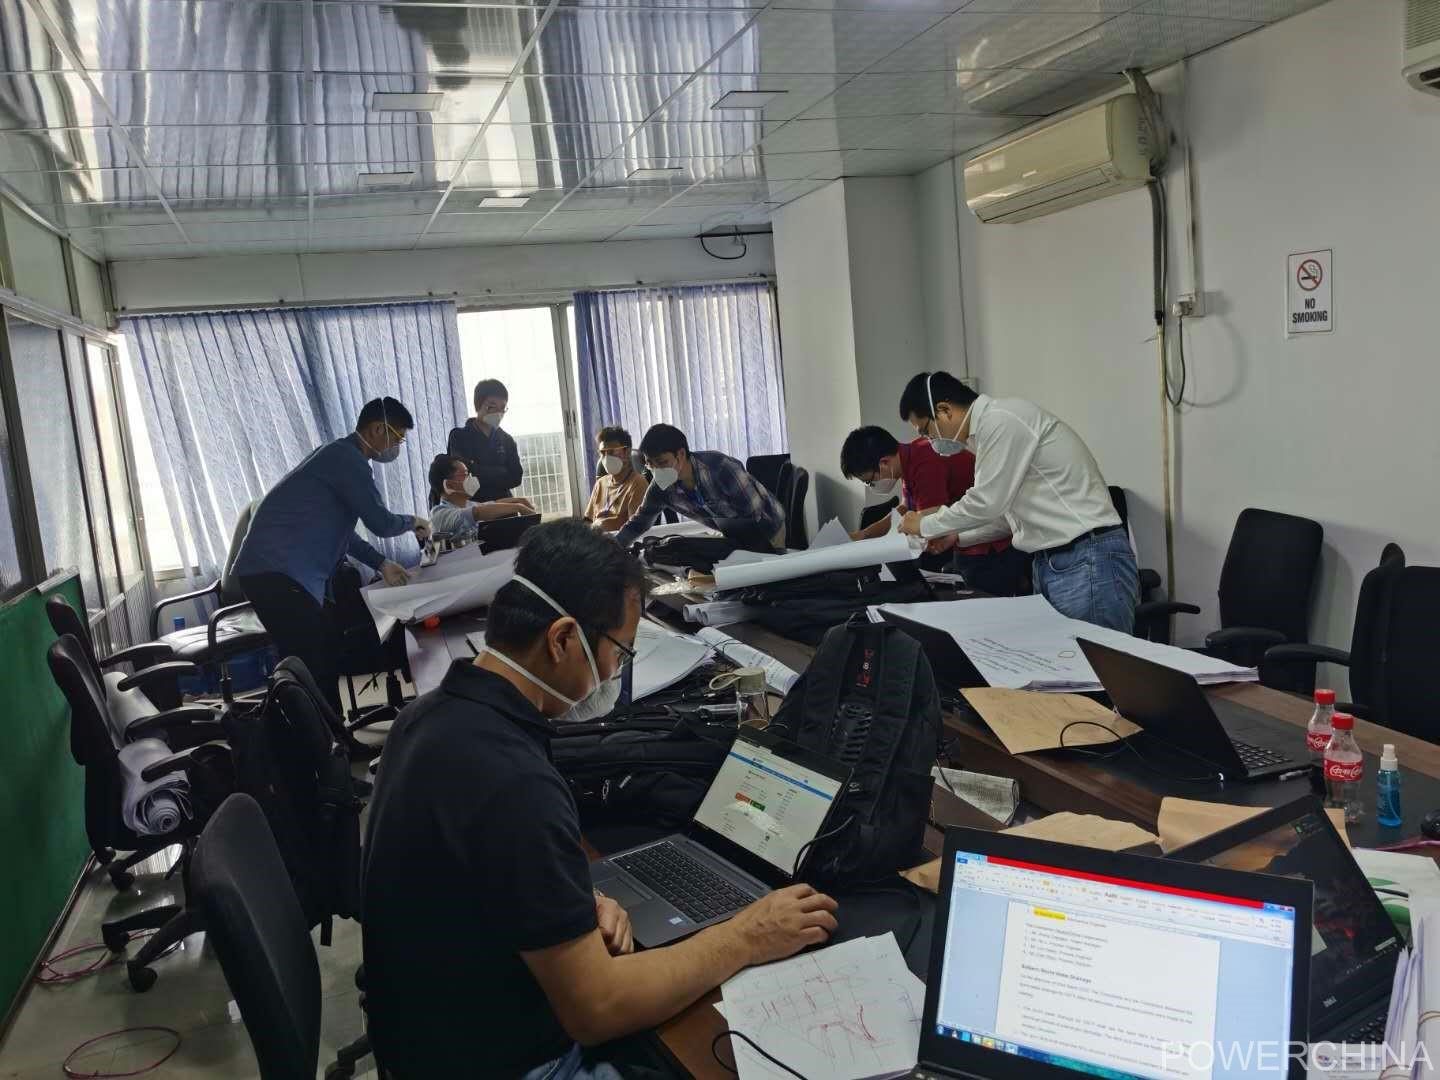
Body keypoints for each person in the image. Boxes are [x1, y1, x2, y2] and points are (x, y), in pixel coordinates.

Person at [362, 521, 838, 1078]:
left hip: (422, 1037)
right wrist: (746, 936)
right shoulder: (515, 782)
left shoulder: (426, 718)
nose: (617, 671)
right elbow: (598, 1008)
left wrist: (571, 898)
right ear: (563, 639)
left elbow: (472, 872)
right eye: (620, 651)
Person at [896, 371, 1139, 632]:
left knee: (1097, 656)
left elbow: (986, 502)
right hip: (1054, 562)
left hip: (1085, 556)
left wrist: (925, 524)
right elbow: (1008, 516)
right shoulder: (987, 433)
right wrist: (957, 537)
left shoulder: (1000, 420)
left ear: (944, 410)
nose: (930, 441)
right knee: (1066, 656)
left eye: (927, 431)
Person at [234, 397, 429, 714]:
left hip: (273, 571)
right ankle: (325, 735)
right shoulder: (347, 459)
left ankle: (320, 728)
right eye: (398, 438)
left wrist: (381, 563)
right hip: (276, 571)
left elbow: (344, 535)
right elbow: (380, 522)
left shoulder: (337, 455)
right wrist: (414, 522)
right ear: (378, 429)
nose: (397, 447)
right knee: (315, 662)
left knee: (317, 656)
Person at [839, 425, 1028, 595]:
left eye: (870, 480)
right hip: (963, 532)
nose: (872, 485)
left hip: (989, 540)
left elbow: (928, 520)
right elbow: (905, 509)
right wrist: (864, 534)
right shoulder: (908, 457)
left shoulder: (925, 461)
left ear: (884, 463)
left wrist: (879, 543)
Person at [613, 424, 786, 549]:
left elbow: (754, 513)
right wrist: (611, 549)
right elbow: (639, 522)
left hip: (768, 526)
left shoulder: (720, 467)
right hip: (734, 534)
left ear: (681, 454)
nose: (656, 470)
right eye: (650, 464)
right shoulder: (660, 487)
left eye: (662, 462)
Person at [426, 454, 535, 543]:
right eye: (465, 474)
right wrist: (518, 507)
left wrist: (519, 500)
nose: (471, 478)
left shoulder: (468, 504)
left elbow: (492, 504)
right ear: (449, 485)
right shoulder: (439, 514)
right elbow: (477, 513)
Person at [447, 377, 522, 503]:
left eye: (502, 408)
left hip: (506, 506)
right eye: (492, 407)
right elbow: (463, 476)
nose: (498, 412)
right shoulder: (459, 436)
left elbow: (516, 478)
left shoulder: (507, 440)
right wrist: (501, 471)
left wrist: (478, 470)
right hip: (474, 507)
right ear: (478, 406)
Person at [583, 425, 648, 534]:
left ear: (627, 452)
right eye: (602, 453)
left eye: (611, 452)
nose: (606, 458)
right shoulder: (600, 483)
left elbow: (635, 529)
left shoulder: (638, 483)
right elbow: (587, 521)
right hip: (596, 540)